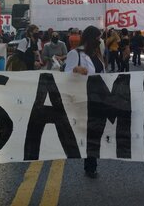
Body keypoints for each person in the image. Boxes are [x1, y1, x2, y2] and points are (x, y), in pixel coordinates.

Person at [64, 25, 105, 179]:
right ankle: (90, 165)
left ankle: (91, 163)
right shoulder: (75, 54)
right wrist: (76, 70)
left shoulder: (97, 53)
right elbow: (66, 73)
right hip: (84, 99)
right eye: (97, 38)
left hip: (98, 97)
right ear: (90, 38)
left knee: (95, 132)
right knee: (89, 132)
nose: (99, 40)